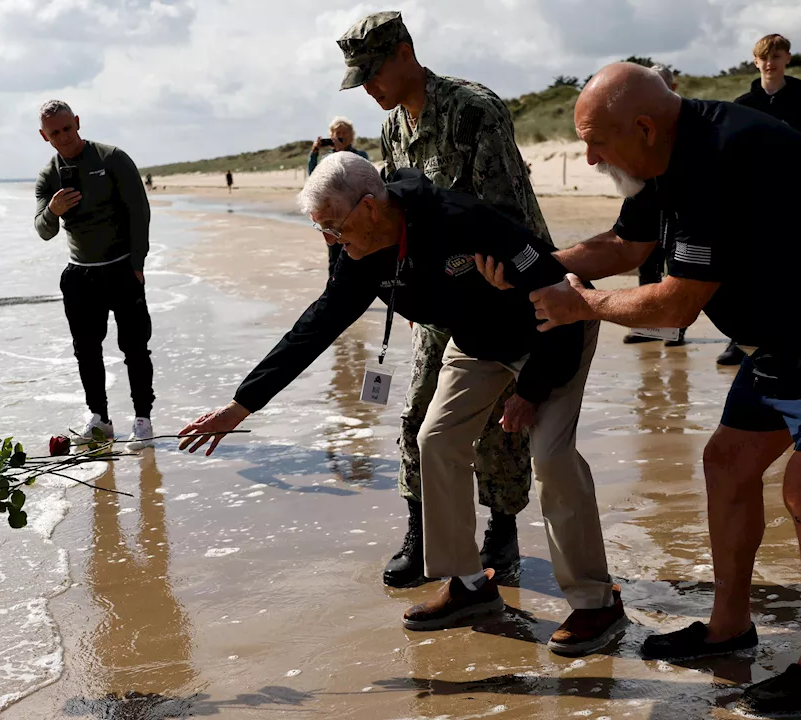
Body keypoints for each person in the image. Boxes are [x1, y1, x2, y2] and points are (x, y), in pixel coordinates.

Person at [481, 62, 801, 716]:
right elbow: (628, 243)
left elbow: (678, 304)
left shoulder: (720, 158)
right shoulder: (665, 153)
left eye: (596, 141)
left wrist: (583, 306)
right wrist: (536, 267)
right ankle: (728, 628)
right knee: (726, 462)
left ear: (643, 126)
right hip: (786, 338)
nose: (588, 155)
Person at [180, 152, 625, 655]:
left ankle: (596, 604)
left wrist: (531, 391)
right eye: (321, 229)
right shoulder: (359, 249)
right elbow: (319, 323)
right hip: (478, 344)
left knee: (551, 455)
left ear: (370, 208)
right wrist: (241, 406)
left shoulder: (463, 221)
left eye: (334, 227)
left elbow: (556, 293)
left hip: (551, 332)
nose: (330, 240)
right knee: (435, 439)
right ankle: (469, 586)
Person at [335, 10, 545, 595]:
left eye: (374, 72)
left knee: (502, 425)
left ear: (405, 52)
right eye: (361, 80)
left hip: (502, 287)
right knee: (419, 414)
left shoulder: (472, 110)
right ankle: (421, 532)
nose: (370, 88)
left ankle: (501, 530)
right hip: (436, 289)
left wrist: (497, 280)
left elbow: (504, 213)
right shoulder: (393, 128)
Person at [34, 100, 157, 449]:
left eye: (67, 128)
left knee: (135, 348)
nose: (64, 137)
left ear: (77, 122)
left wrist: (138, 263)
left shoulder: (111, 158)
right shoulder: (48, 176)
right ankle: (100, 419)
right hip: (81, 276)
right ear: (45, 136)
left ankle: (143, 420)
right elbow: (44, 231)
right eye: (55, 133)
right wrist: (53, 211)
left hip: (121, 268)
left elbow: (139, 211)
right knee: (86, 351)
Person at [722, 33, 801, 366]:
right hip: (750, 196)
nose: (770, 62)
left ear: (787, 59)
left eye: (777, 56)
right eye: (764, 57)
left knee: (791, 265)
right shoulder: (743, 104)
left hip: (792, 194)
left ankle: (791, 336)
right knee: (746, 267)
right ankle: (741, 338)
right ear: (756, 61)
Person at [623, 63, 686, 348]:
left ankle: (675, 328)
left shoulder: (684, 120)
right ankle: (648, 325)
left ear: (672, 89)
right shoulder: (634, 119)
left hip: (675, 204)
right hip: (646, 201)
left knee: (675, 267)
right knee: (646, 264)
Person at [309, 117, 372, 274]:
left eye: (344, 133)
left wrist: (343, 152)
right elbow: (314, 178)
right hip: (333, 215)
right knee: (335, 257)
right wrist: (314, 154)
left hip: (355, 212)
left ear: (352, 136)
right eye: (337, 133)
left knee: (357, 253)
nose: (341, 136)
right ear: (331, 136)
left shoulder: (360, 155)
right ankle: (334, 286)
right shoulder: (327, 159)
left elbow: (362, 177)